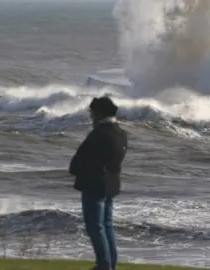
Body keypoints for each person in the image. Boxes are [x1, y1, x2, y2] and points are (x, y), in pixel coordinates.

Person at [69, 96, 128, 270]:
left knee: (95, 226)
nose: (91, 116)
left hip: (94, 184)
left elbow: (82, 159)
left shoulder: (100, 133)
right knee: (107, 225)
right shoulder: (120, 133)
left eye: (92, 112)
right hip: (110, 183)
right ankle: (110, 263)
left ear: (99, 113)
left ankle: (103, 264)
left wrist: (76, 170)